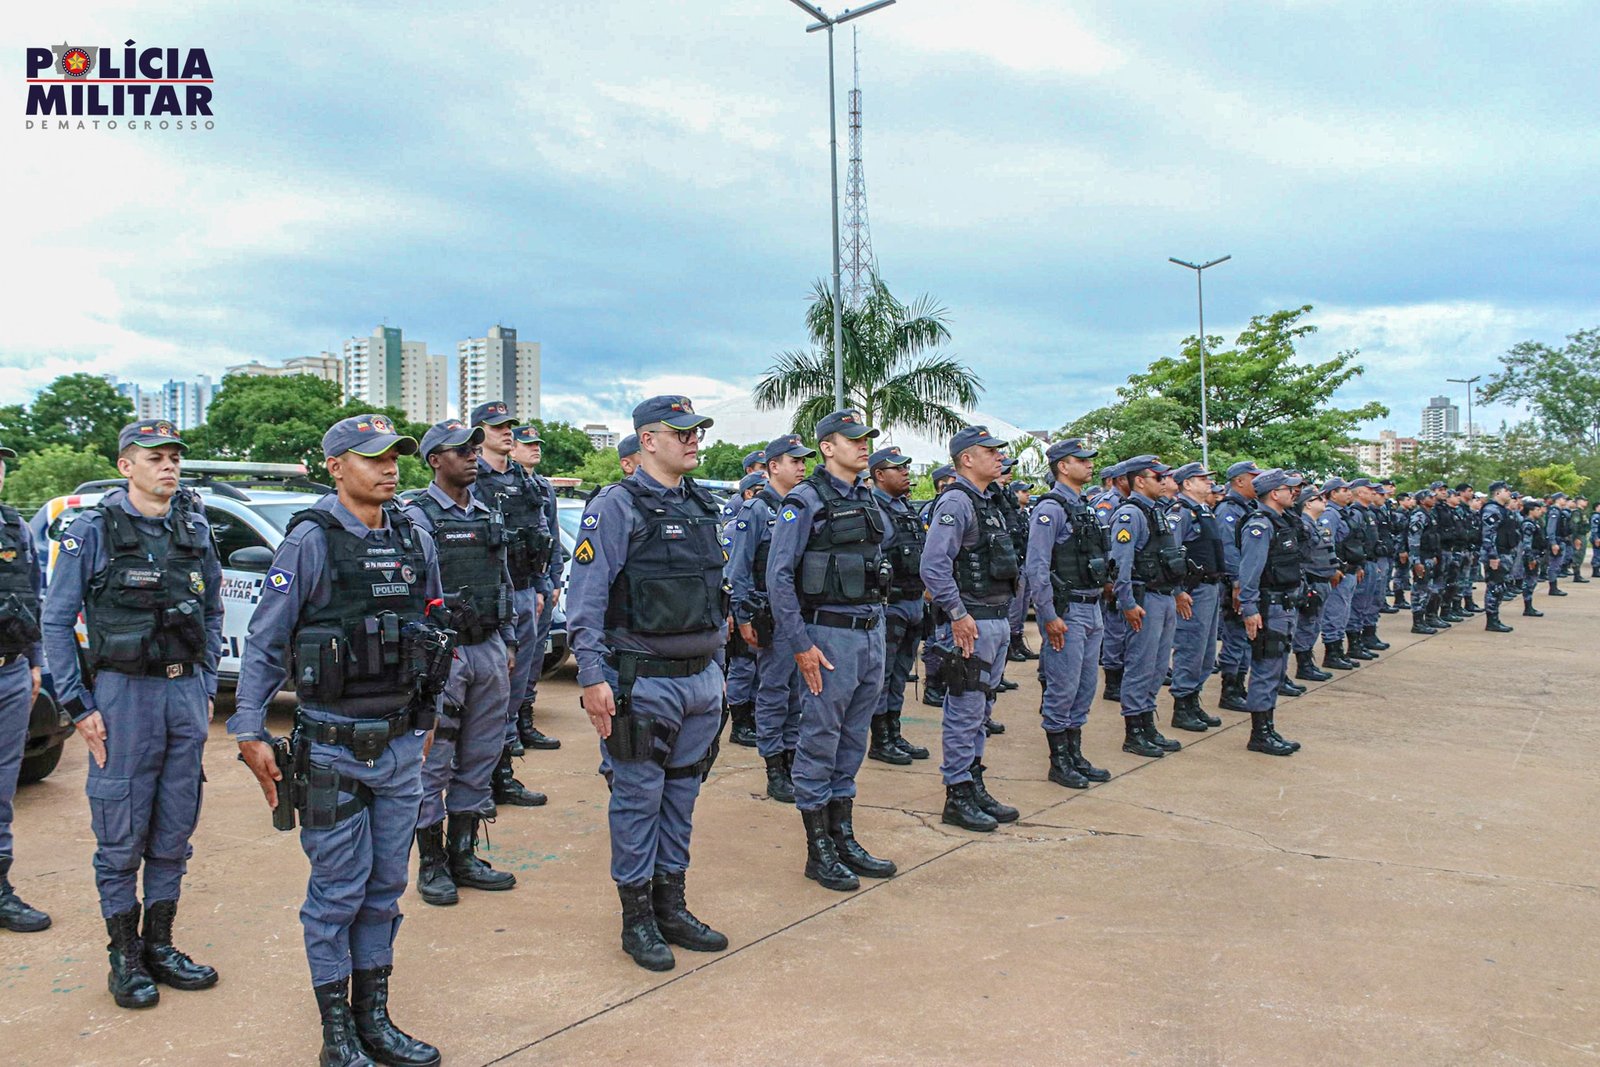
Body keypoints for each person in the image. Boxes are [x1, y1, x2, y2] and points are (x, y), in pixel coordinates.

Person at [231, 414, 443, 1066]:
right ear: (335, 466)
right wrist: (247, 726)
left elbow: (434, 626)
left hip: (402, 747)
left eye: (395, 456)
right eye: (372, 456)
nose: (389, 467)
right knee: (338, 892)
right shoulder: (311, 542)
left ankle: (373, 1019)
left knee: (384, 889)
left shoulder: (415, 536)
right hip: (332, 750)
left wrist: (429, 715)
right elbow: (267, 642)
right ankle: (337, 1034)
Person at [42, 420, 222, 1010]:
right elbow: (56, 620)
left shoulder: (194, 527)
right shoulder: (91, 530)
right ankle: (125, 958)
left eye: (174, 456)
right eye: (154, 458)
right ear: (126, 466)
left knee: (174, 827)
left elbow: (214, 607)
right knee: (120, 833)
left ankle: (160, 946)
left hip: (183, 696)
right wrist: (78, 705)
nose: (168, 466)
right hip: (123, 697)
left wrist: (205, 679)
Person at [566, 395, 729, 972]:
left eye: (696, 431)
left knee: (681, 800)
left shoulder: (703, 505)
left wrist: (721, 671)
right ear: (647, 441)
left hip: (701, 680)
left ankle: (671, 907)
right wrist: (591, 676)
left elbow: (716, 598)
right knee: (637, 802)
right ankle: (637, 919)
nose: (692, 440)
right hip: (642, 681)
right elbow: (584, 600)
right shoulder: (615, 506)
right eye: (679, 431)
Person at [767, 410, 897, 890]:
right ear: (828, 447)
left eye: (867, 439)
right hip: (828, 635)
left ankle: (843, 836)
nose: (864, 447)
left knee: (852, 739)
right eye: (854, 440)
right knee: (820, 741)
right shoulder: (804, 501)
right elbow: (778, 576)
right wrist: (800, 645)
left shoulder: (867, 498)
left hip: (870, 631)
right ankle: (817, 849)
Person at [403, 420, 520, 907]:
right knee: (435, 760)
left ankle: (464, 853)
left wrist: (509, 639)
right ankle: (432, 863)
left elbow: (504, 579)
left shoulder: (489, 513)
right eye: (461, 450)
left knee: (481, 753)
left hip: (489, 647)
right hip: (443, 655)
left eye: (476, 447)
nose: (473, 455)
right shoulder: (416, 516)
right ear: (434, 460)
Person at [919, 427, 1021, 832]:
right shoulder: (957, 502)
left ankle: (974, 782)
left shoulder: (990, 502)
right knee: (964, 711)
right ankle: (957, 793)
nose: (999, 457)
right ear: (966, 459)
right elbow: (934, 564)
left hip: (993, 619)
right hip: (971, 624)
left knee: (981, 711)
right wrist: (958, 614)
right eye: (989, 451)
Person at [469, 402, 549, 809]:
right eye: (497, 426)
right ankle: (479, 784)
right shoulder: (471, 478)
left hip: (523, 593)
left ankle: (502, 776)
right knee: (487, 698)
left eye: (509, 427)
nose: (506, 432)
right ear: (478, 433)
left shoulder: (526, 481)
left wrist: (539, 584)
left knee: (512, 694)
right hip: (487, 602)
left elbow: (539, 535)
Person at [728, 435, 812, 801]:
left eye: (803, 461)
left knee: (798, 692)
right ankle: (775, 766)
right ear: (773, 466)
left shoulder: (803, 505)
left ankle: (792, 758)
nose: (801, 467)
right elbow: (739, 570)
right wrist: (743, 615)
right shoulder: (757, 510)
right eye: (794, 461)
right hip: (768, 613)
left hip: (798, 614)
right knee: (774, 692)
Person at [1026, 438, 1113, 789]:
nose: (1090, 465)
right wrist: (1047, 614)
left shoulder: (1084, 505)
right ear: (1063, 466)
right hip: (1068, 610)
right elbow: (1037, 566)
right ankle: (1058, 761)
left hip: (1092, 608)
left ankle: (1075, 754)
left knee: (1085, 687)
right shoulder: (1051, 509)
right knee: (1062, 687)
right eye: (1082, 460)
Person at [1107, 457, 1190, 759]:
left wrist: (1179, 592)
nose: (1166, 482)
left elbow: (1170, 557)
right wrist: (1127, 603)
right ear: (1139, 481)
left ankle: (1148, 722)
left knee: (1156, 667)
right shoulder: (1130, 514)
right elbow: (1120, 564)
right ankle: (1134, 731)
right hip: (1145, 600)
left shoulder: (1159, 512)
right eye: (1159, 477)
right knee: (1141, 666)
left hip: (1164, 596)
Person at [0, 438, 50, 935]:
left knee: (1, 788)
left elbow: (30, 597)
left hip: (11, 673)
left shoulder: (14, 527)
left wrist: (34, 663)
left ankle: (0, 889)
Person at [868, 444, 931, 765]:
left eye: (906, 467)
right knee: (883, 674)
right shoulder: (874, 510)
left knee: (901, 672)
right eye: (898, 468)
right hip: (889, 606)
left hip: (912, 602)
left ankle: (894, 731)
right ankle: (880, 739)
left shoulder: (905, 509)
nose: (906, 472)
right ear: (879, 475)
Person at [1236, 470, 1304, 757]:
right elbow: (1249, 572)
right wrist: (1249, 609)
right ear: (1275, 493)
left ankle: (1268, 726)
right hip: (1269, 606)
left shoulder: (1282, 521)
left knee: (1276, 667)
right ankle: (1259, 734)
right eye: (1288, 489)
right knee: (1266, 668)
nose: (1294, 492)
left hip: (1284, 604)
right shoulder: (1259, 526)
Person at [509, 424, 566, 751]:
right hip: (514, 584)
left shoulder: (543, 487)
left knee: (532, 660)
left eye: (537, 444)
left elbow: (551, 538)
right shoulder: (501, 485)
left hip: (539, 584)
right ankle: (508, 729)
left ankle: (525, 722)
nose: (535, 448)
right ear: (512, 449)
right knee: (510, 662)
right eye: (527, 443)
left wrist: (554, 581)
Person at [1166, 461, 1226, 733]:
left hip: (1210, 588)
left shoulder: (1205, 511)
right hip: (1192, 591)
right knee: (1190, 646)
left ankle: (1193, 700)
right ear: (1187, 484)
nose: (1209, 482)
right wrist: (1178, 592)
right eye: (1202, 479)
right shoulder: (1181, 513)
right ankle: (1182, 706)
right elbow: (1171, 553)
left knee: (1206, 651)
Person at [722, 470, 768, 748]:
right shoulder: (733, 529)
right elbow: (732, 574)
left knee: (758, 670)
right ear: (748, 493)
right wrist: (734, 611)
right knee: (742, 667)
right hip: (743, 605)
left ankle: (751, 718)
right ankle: (739, 724)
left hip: (762, 606)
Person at [1213, 460, 1261, 710]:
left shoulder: (1249, 507)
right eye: (1254, 477)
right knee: (1235, 636)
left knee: (1245, 637)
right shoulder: (1229, 510)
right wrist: (1237, 582)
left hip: (1248, 582)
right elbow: (1229, 549)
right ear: (1239, 481)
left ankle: (1240, 685)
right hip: (1235, 584)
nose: (1258, 481)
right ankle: (1230, 690)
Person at [919, 463, 957, 707]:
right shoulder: (934, 508)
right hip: (937, 584)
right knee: (938, 638)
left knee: (945, 637)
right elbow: (928, 551)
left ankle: (941, 684)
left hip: (952, 583)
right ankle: (933, 685)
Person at [1292, 486, 1337, 681]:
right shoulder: (1304, 526)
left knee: (1313, 624)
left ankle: (1308, 662)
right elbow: (1301, 559)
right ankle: (1304, 665)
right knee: (1306, 624)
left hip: (1322, 580)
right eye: (1319, 498)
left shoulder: (1315, 524)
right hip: (1312, 582)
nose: (1324, 501)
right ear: (1308, 503)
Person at [1479, 481, 1518, 633]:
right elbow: (1488, 535)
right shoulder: (1492, 510)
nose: (1509, 493)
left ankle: (1495, 619)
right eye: (1506, 491)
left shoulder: (1503, 510)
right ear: (1497, 493)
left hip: (1504, 553)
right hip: (1496, 555)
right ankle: (1492, 620)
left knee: (1499, 588)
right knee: (1494, 588)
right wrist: (1493, 556)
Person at [1407, 484, 1447, 633]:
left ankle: (1423, 620)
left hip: (1430, 556)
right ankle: (1417, 622)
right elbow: (1414, 539)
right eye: (1430, 497)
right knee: (1420, 590)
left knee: (1427, 590)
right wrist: (1416, 561)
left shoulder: (1430, 514)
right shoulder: (1419, 515)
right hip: (1421, 557)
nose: (1434, 499)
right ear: (1422, 501)